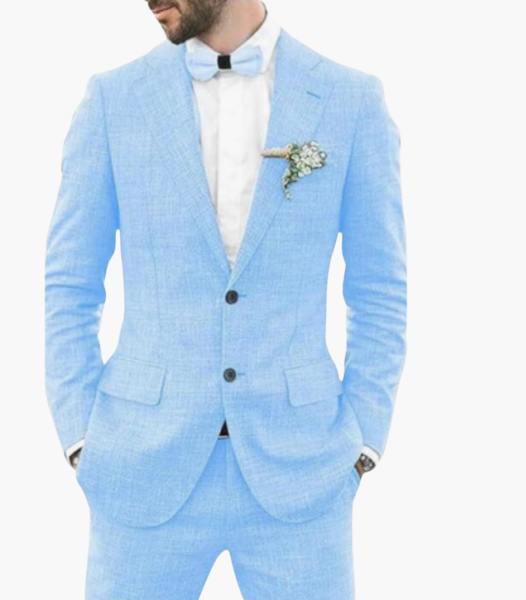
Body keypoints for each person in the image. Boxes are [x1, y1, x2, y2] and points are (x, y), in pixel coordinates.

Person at [44, 0, 407, 597]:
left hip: (303, 473)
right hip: (140, 467)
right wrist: (82, 438)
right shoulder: (114, 100)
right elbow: (70, 281)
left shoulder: (351, 100)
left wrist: (363, 442)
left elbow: (380, 286)